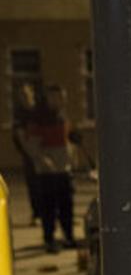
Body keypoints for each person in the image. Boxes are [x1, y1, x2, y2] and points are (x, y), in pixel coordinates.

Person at [20, 85, 77, 252]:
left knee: (67, 205)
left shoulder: (62, 116)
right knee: (49, 207)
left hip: (63, 169)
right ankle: (49, 239)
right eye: (58, 97)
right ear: (50, 98)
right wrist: (44, 161)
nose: (62, 101)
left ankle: (68, 236)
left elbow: (68, 141)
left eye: (63, 97)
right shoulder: (39, 118)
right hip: (47, 173)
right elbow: (32, 145)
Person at [12, 82, 42, 227]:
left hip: (44, 153)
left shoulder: (40, 111)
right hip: (29, 156)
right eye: (21, 95)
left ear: (32, 94)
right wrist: (27, 153)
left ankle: (50, 213)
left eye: (25, 94)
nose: (23, 98)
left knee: (49, 184)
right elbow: (17, 136)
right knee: (33, 185)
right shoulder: (20, 115)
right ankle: (37, 213)